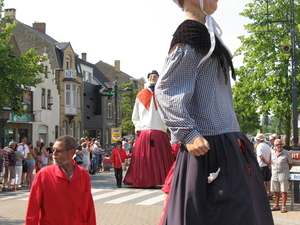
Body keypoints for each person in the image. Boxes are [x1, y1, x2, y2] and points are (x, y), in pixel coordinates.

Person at [155, 0, 274, 224]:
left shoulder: (204, 35)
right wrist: (188, 133)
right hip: (208, 147)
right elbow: (166, 89)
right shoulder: (189, 39)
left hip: (224, 139)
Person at [25, 135, 96, 224]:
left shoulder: (83, 175)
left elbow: (89, 208)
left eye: (58, 151)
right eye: (53, 150)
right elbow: (33, 208)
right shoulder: (43, 175)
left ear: (71, 152)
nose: (53, 154)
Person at [123, 70, 174, 188]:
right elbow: (135, 115)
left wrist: (165, 127)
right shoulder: (140, 95)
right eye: (150, 76)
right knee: (143, 157)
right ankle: (141, 180)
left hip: (159, 129)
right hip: (144, 130)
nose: (152, 78)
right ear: (148, 78)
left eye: (155, 76)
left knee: (159, 158)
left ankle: (165, 179)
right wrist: (138, 127)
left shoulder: (164, 93)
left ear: (158, 78)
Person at [270, 139, 293, 213]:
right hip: (275, 174)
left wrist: (286, 170)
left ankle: (284, 206)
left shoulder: (286, 153)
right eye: (277, 145)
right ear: (274, 146)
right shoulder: (272, 153)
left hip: (283, 174)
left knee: (284, 191)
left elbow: (291, 163)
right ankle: (276, 205)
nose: (279, 146)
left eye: (280, 144)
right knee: (276, 191)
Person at [256, 133, 273, 200]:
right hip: (267, 165)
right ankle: (270, 193)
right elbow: (271, 155)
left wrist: (266, 162)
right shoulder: (267, 146)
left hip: (262, 165)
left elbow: (261, 156)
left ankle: (263, 194)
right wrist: (269, 163)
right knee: (268, 180)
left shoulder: (259, 146)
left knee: (262, 180)